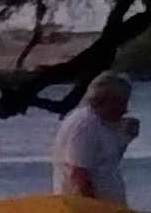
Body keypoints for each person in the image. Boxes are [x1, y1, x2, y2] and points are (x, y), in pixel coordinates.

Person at [51, 72, 137, 205]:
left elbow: (107, 164)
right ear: (106, 100)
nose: (125, 110)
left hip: (108, 209)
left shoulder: (100, 124)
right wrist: (96, 211)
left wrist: (124, 138)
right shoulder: (85, 125)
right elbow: (78, 175)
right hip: (88, 211)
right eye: (122, 103)